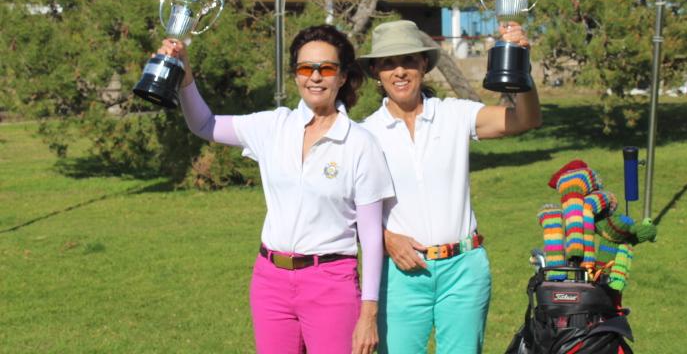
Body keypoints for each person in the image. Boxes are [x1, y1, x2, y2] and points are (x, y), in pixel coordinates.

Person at [157, 25, 395, 354]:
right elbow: (204, 124)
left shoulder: (360, 143)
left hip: (331, 282)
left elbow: (370, 238)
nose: (315, 77)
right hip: (271, 281)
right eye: (305, 68)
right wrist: (184, 79)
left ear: (341, 77)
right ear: (295, 75)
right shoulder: (272, 126)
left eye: (326, 68)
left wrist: (368, 313)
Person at [357, 20, 542, 354]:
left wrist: (521, 64)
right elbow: (346, 209)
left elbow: (524, 120)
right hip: (401, 273)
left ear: (424, 65)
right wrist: (385, 238)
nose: (400, 71)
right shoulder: (364, 133)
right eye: (388, 63)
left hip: (463, 269)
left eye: (409, 61)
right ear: (375, 72)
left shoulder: (455, 114)